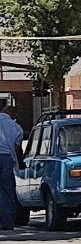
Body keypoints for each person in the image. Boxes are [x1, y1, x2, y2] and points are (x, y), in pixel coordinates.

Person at [0, 97, 26, 231]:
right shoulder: (16, 127)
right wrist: (21, 163)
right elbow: (17, 147)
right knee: (7, 190)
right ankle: (7, 223)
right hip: (6, 158)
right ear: (10, 112)